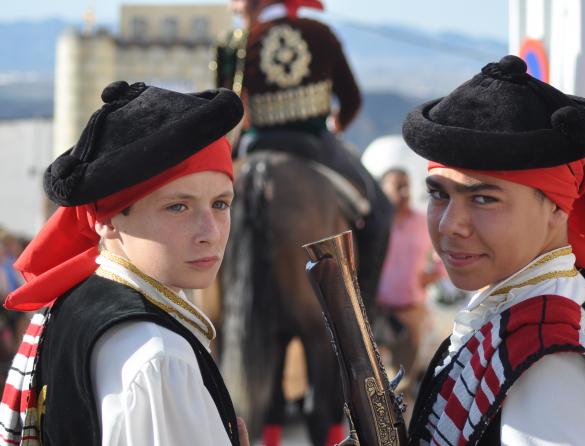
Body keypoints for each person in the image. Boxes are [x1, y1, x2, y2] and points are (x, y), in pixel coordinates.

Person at [401, 55, 585, 445]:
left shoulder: (546, 366)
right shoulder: (528, 296)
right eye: (438, 194)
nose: (449, 224)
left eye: (483, 199)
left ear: (556, 207)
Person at [0, 81, 251, 446]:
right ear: (107, 219)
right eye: (177, 206)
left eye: (220, 204)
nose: (210, 233)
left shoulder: (71, 302)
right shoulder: (160, 358)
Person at [215, 0, 392, 310]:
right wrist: (338, 123)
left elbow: (223, 108)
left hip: (254, 145)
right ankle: (365, 314)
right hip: (316, 145)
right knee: (380, 213)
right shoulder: (320, 33)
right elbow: (351, 100)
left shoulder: (236, 42)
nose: (233, 9)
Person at [375, 168, 444, 389]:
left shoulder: (423, 222)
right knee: (372, 384)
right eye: (398, 187)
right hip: (376, 314)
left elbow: (443, 253)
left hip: (411, 314)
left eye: (406, 186)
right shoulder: (373, 225)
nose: (404, 192)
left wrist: (432, 275)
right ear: (383, 190)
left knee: (402, 383)